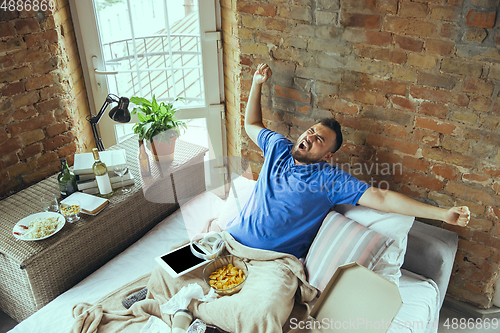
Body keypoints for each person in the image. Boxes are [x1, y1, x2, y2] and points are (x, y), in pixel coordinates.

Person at [226, 63, 470, 258]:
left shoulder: (330, 179)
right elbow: (252, 124)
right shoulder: (278, 147)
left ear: (327, 156)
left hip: (272, 262)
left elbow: (382, 197)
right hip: (229, 242)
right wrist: (257, 84)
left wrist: (442, 214)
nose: (309, 136)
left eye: (319, 139)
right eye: (310, 130)